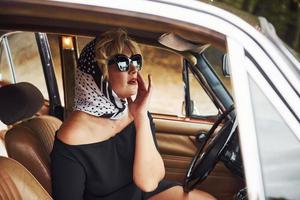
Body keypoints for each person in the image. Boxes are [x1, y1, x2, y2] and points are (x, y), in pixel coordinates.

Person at [50, 29, 215, 200]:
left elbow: (151, 181)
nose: (133, 69)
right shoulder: (72, 136)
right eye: (122, 63)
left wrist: (141, 116)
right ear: (97, 72)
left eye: (136, 61)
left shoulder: (135, 113)